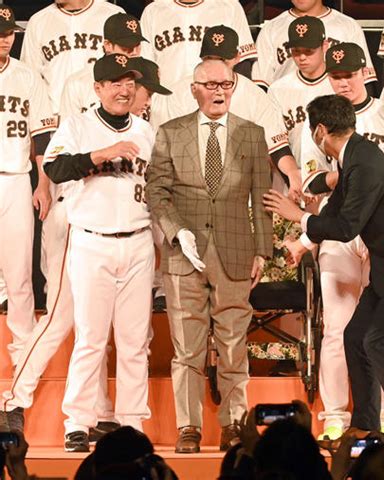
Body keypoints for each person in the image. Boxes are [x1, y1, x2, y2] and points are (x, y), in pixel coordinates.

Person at [263, 94, 384, 433]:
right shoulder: (355, 157)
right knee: (355, 335)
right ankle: (365, 425)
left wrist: (300, 216)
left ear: (320, 130)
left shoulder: (362, 165)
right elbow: (336, 210)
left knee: (381, 343)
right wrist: (303, 243)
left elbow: (346, 227)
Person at [146, 59, 273, 453]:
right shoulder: (171, 133)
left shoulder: (252, 134)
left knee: (234, 343)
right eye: (211, 84)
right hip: (185, 254)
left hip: (236, 251)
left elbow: (263, 198)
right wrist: (175, 231)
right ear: (194, 88)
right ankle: (189, 428)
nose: (219, 91)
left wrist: (263, 250)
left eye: (226, 83)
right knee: (187, 347)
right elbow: (156, 190)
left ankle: (235, 423)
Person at [42, 53, 156, 452]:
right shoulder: (78, 125)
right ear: (98, 88)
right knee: (91, 337)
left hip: (139, 240)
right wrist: (101, 154)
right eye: (115, 82)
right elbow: (54, 169)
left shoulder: (145, 130)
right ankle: (78, 421)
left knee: (133, 340)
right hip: (92, 240)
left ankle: (129, 423)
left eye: (129, 82)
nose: (124, 89)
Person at [157, 24, 302, 201]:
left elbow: (277, 147)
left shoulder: (254, 96)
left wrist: (293, 173)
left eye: (222, 60)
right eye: (210, 59)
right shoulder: (180, 92)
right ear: (201, 57)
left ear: (236, 58)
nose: (216, 67)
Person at [0, 6, 57, 372]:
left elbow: (43, 135)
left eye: (7, 32)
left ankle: (23, 345)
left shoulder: (27, 76)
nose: (3, 38)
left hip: (15, 178)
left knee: (19, 271)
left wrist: (43, 184)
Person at [20, 0, 125, 113]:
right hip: (56, 120)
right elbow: (29, 79)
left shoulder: (113, 14)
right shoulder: (38, 21)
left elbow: (129, 68)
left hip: (103, 116)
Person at [252, 0, 376, 90]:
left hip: (336, 111)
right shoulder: (271, 28)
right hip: (288, 110)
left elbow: (365, 81)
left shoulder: (347, 26)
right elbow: (261, 84)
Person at [140, 0, 257, 87]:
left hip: (215, 101)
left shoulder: (229, 6)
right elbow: (145, 66)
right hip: (167, 101)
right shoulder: (153, 11)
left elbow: (243, 62)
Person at [268, 15, 334, 167]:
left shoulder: (339, 84)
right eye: (296, 51)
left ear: (324, 46)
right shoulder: (278, 89)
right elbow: (276, 142)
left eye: (309, 51)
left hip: (336, 175)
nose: (302, 57)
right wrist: (292, 176)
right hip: (294, 175)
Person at [60, 12, 149, 118]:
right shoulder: (78, 83)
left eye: (137, 46)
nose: (134, 52)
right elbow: (68, 131)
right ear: (108, 46)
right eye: (126, 48)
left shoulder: (150, 80)